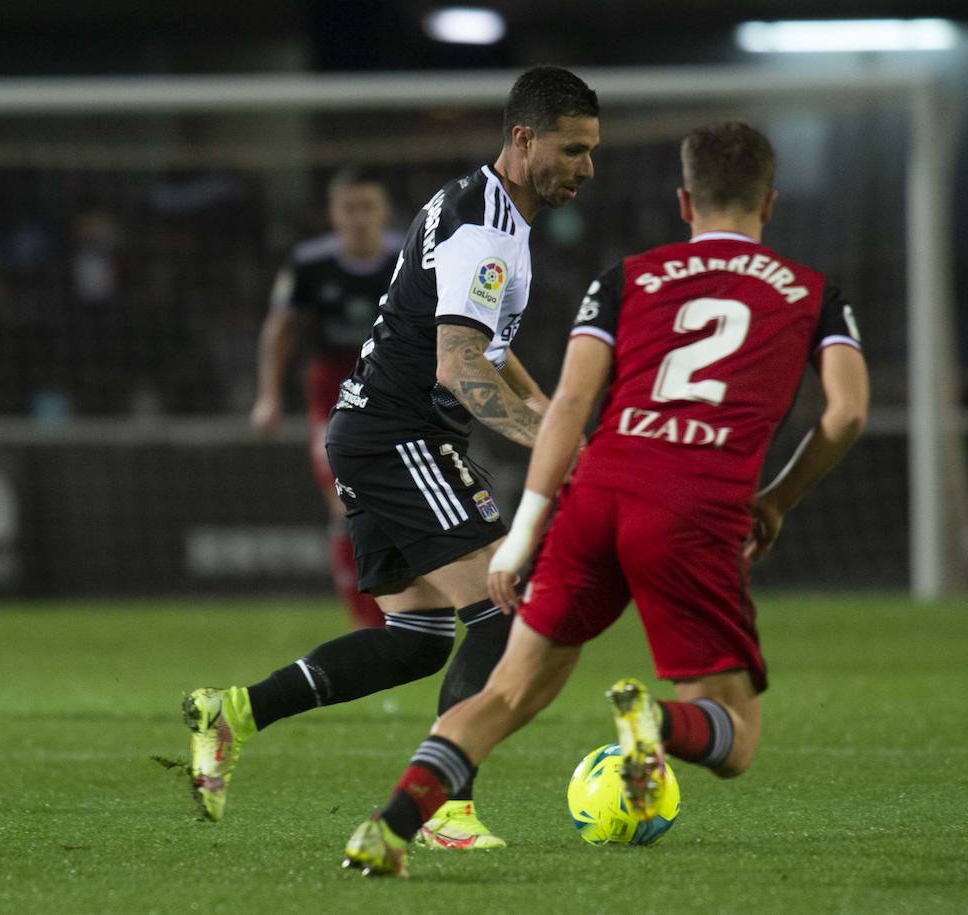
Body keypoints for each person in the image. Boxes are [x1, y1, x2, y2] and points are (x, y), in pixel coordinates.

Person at [342, 121, 870, 877]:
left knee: (507, 694)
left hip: (598, 496)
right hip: (691, 507)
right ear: (770, 203)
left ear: (684, 202)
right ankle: (653, 721)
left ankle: (388, 829)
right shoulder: (814, 293)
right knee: (736, 734)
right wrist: (780, 498)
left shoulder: (627, 279)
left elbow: (566, 407)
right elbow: (846, 414)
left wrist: (527, 534)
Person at [185, 65, 600, 850]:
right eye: (573, 150)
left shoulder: (477, 203)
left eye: (592, 151)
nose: (586, 168)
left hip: (374, 429)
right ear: (524, 138)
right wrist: (548, 441)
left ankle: (233, 712)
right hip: (400, 433)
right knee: (503, 610)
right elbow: (458, 364)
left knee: (416, 638)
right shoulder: (485, 229)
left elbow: (483, 340)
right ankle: (445, 810)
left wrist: (548, 410)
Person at [250, 167, 400, 629]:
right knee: (345, 501)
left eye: (367, 207)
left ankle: (408, 609)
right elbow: (280, 330)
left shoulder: (409, 258)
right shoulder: (309, 263)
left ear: (384, 211)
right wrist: (268, 396)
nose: (359, 218)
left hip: (394, 388)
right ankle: (366, 621)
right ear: (333, 214)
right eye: (349, 208)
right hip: (331, 388)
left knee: (395, 502)